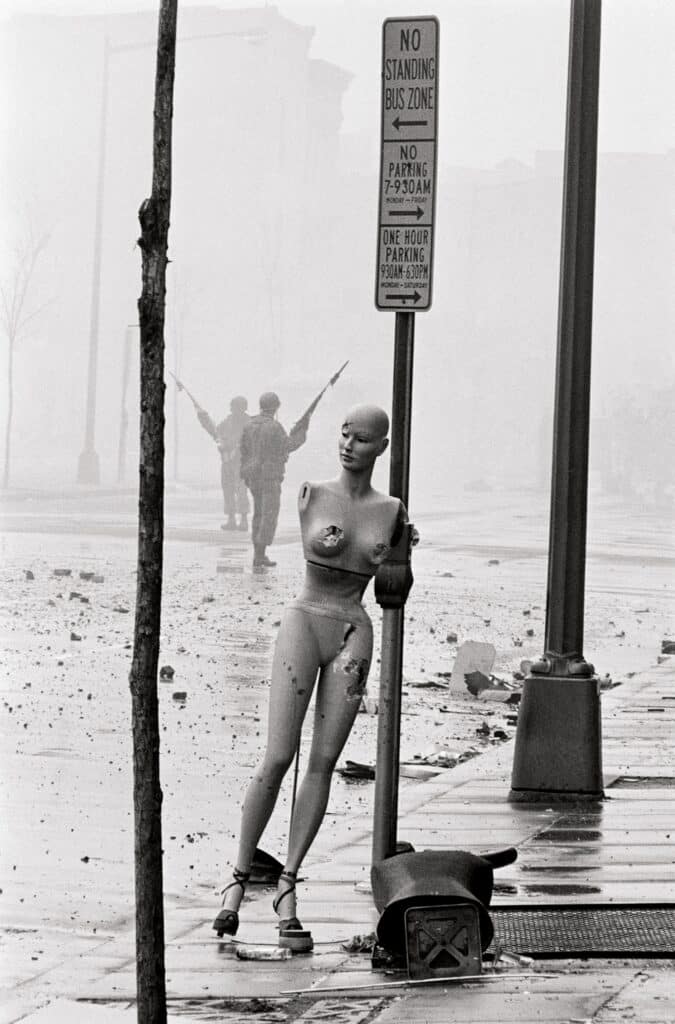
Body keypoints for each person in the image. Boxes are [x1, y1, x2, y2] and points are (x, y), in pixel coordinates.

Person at [213, 404, 408, 951]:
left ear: (381, 447)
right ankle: (236, 878)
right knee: (278, 754)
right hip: (305, 619)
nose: (349, 445)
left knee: (321, 763)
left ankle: (288, 884)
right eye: (344, 434)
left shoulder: (392, 511)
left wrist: (402, 555)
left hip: (353, 630)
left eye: (363, 439)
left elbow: (395, 591)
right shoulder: (311, 495)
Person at [239, 391, 308, 568]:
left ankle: (258, 553)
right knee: (268, 515)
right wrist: (302, 430)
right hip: (269, 477)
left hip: (253, 476)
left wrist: (245, 474)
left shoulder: (249, 425)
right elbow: (288, 445)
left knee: (258, 514)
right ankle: (260, 555)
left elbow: (244, 452)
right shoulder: (274, 427)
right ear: (275, 407)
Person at [197, 396, 250, 531]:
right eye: (233, 407)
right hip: (227, 461)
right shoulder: (227, 422)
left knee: (241, 491)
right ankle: (231, 519)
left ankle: (243, 520)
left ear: (243, 408)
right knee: (228, 490)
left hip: (242, 462)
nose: (233, 410)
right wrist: (203, 418)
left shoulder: (249, 424)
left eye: (236, 407)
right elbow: (215, 432)